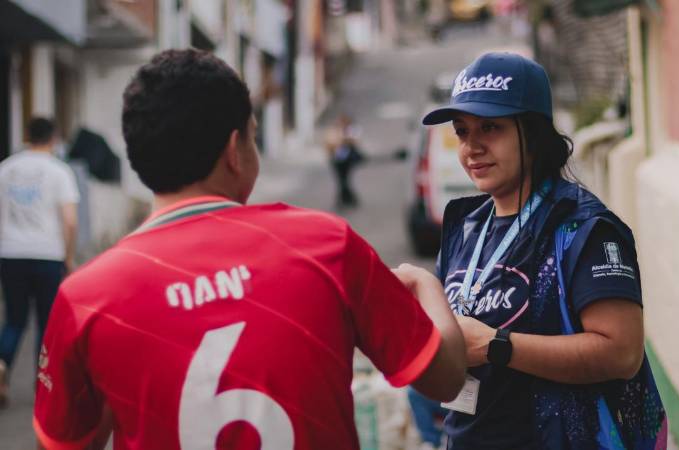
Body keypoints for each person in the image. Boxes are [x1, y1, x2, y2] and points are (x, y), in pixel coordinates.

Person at [32, 49, 466, 449]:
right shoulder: (327, 246)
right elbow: (445, 379)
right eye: (254, 138)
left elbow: (65, 443)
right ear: (234, 151)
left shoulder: (85, 298)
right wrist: (428, 285)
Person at [420, 52, 667, 449]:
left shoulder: (582, 228)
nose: (472, 147)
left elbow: (621, 352)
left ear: (533, 135)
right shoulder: (465, 227)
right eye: (462, 131)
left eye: (490, 127)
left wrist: (495, 345)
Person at [0, 117, 79, 408]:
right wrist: (69, 258)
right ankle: (43, 383)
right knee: (47, 323)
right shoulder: (59, 171)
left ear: (27, 136)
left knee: (14, 320)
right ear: (54, 138)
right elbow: (69, 221)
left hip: (10, 253)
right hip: (47, 254)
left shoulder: (6, 168)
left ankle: (1, 366)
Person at [324, 113, 364, 209]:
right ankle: (346, 198)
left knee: (345, 179)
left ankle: (346, 198)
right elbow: (329, 144)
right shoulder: (334, 131)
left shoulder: (352, 130)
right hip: (337, 160)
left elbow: (355, 141)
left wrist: (344, 139)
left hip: (348, 160)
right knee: (342, 180)